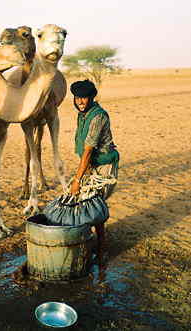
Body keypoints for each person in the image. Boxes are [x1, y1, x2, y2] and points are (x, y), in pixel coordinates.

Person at [43, 79, 119, 264]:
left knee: (94, 204)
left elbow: (88, 151)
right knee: (86, 203)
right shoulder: (83, 114)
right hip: (89, 165)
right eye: (77, 98)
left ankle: (101, 251)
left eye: (84, 98)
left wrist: (77, 180)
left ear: (91, 98)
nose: (80, 102)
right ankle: (88, 242)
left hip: (103, 166)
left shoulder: (98, 116)